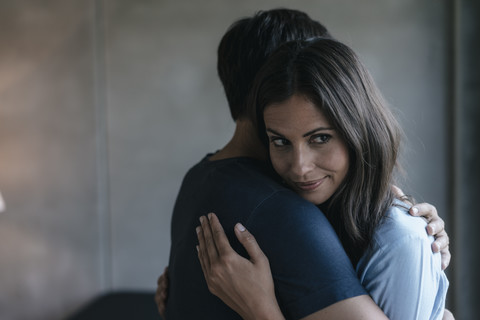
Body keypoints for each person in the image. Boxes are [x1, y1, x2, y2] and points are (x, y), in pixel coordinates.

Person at [158, 9, 451, 320]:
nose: (299, 167)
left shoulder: (199, 178)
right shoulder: (284, 213)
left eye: (320, 138)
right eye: (281, 140)